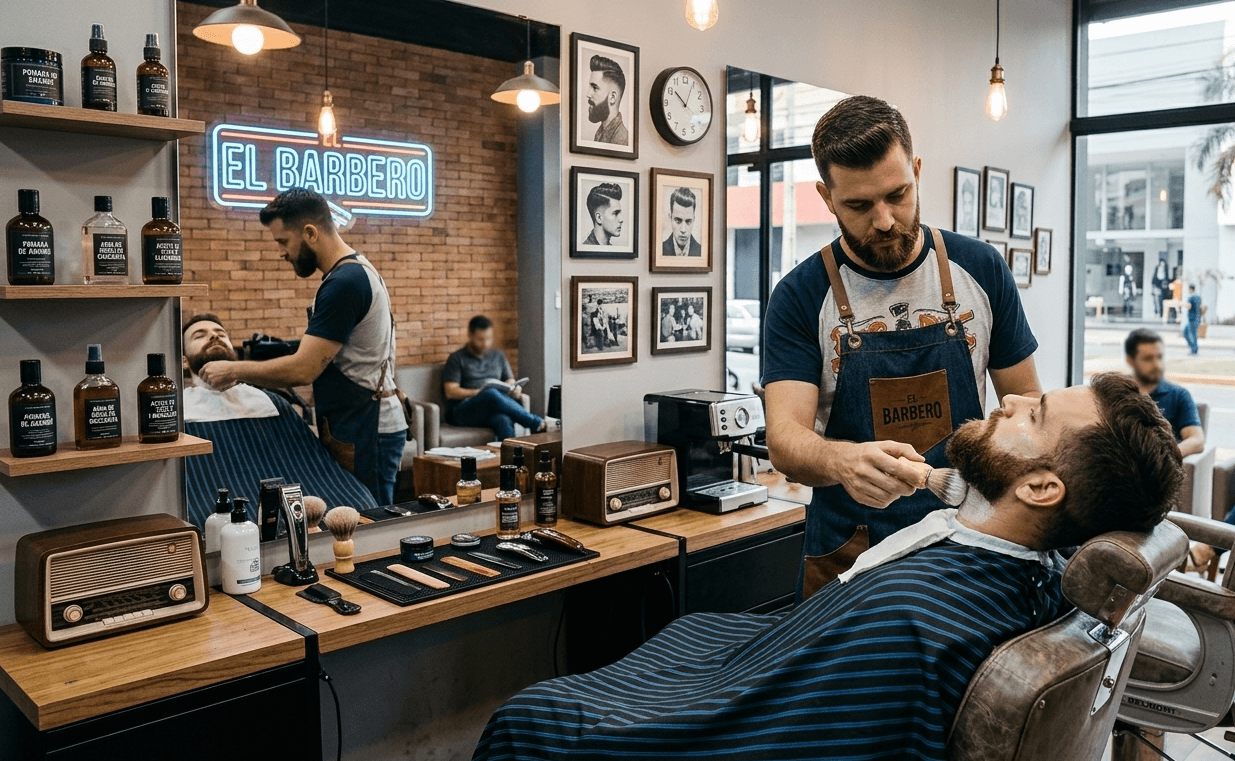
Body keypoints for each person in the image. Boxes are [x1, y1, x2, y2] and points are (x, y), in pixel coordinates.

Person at [473, 374, 1181, 761]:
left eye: (1034, 414)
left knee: (531, 716)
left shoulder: (914, 622)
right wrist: (923, 479)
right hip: (749, 658)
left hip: (729, 703)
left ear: (1039, 488)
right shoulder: (1032, 566)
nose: (1010, 396)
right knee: (688, 628)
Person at [761, 95, 1042, 601]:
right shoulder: (800, 297)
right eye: (860, 205)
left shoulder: (980, 269)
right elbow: (785, 440)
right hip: (853, 552)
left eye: (898, 194)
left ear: (916, 170)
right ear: (827, 197)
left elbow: (1026, 410)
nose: (886, 220)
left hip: (969, 538)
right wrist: (841, 462)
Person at [197, 188, 406, 506]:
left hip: (367, 426)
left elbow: (304, 369)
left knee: (370, 525)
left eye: (283, 241)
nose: (282, 253)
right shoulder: (355, 271)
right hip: (358, 421)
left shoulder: (344, 283)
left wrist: (234, 369)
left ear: (310, 232)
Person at [181, 314, 377, 524]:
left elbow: (311, 462)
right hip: (222, 503)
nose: (213, 337)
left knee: (360, 501)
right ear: (183, 360)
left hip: (298, 494)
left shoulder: (270, 401)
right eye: (199, 336)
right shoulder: (180, 409)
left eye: (221, 334)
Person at [443, 315, 553, 441]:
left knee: (504, 420)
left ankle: (509, 458)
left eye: (489, 338)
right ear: (470, 335)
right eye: (480, 339)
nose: (485, 343)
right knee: (490, 393)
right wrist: (479, 393)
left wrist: (514, 388)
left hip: (489, 409)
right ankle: (537, 423)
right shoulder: (457, 358)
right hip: (462, 412)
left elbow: (509, 379)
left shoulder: (498, 356)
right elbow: (450, 391)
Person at [586, 55, 628, 145]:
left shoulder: (621, 139)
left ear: (612, 97)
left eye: (595, 88)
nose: (588, 94)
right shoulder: (600, 133)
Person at [662, 187, 702, 257]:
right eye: (678, 221)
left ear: (694, 219)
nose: (683, 230)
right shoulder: (660, 250)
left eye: (688, 221)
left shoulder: (701, 252)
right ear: (670, 217)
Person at [1184, 284, 1203, 354]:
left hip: (1192, 318)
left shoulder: (1191, 298)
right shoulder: (1198, 297)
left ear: (1191, 289)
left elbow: (1189, 306)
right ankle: (1193, 347)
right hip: (1197, 317)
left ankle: (1193, 348)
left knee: (1190, 333)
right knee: (1188, 332)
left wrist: (1183, 305)